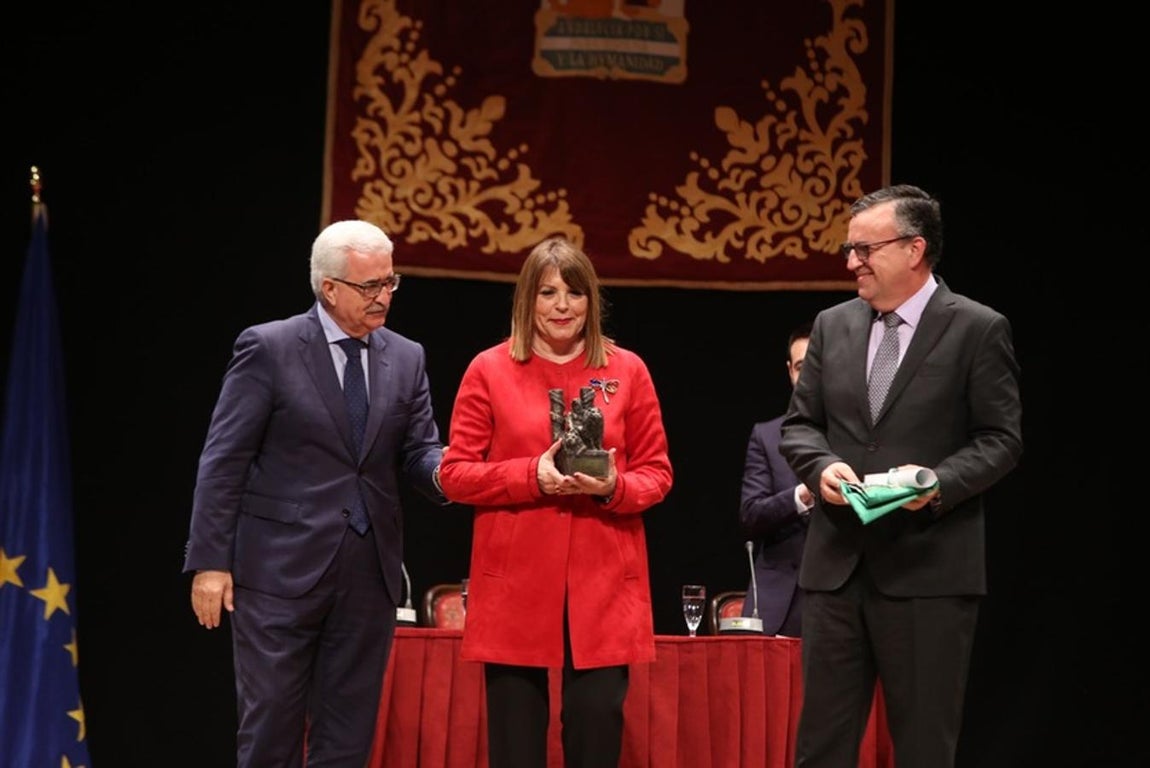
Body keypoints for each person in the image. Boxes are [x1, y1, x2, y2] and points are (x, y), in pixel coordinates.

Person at [183, 219, 448, 767]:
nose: (384, 296)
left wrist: (457, 473)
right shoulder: (269, 347)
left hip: (368, 574)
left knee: (347, 739)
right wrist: (210, 562)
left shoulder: (407, 357)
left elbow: (420, 451)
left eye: (390, 282)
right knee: (271, 733)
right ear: (329, 287)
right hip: (277, 573)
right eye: (370, 286)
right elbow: (224, 459)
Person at [779, 184, 1023, 768]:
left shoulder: (977, 328)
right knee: (820, 749)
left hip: (928, 573)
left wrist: (937, 483)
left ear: (915, 249)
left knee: (923, 749)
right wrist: (823, 465)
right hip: (838, 570)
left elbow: (1001, 439)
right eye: (850, 249)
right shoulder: (832, 325)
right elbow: (800, 426)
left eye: (865, 249)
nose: (851, 262)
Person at [438, 236, 673, 768]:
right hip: (515, 582)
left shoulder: (628, 369)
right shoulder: (489, 369)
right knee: (516, 744)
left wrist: (611, 487)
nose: (562, 306)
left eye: (574, 293)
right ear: (528, 299)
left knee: (596, 731)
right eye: (547, 293)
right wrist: (531, 476)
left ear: (592, 300)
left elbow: (658, 474)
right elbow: (454, 475)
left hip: (603, 583)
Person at [737, 320, 813, 637]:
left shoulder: (862, 435)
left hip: (846, 602)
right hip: (780, 602)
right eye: (801, 367)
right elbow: (751, 516)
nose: (808, 376)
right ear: (790, 372)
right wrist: (802, 496)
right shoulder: (767, 436)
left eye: (817, 365)